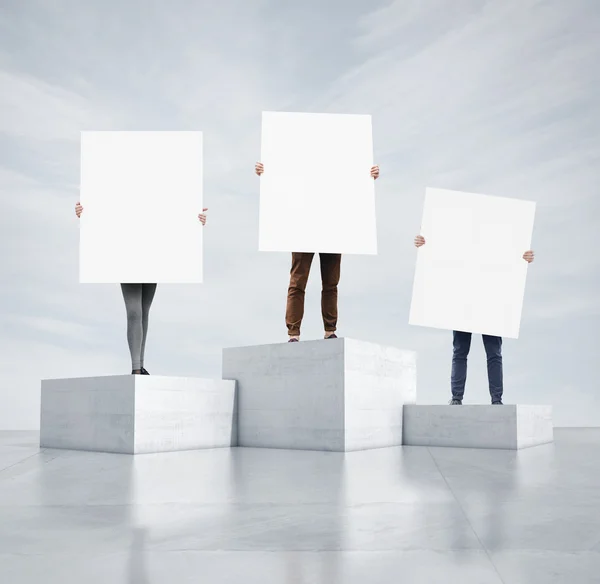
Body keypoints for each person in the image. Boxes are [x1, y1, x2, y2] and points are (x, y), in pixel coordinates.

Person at [75, 202, 208, 374]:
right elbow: (105, 204)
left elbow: (171, 207)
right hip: (127, 248)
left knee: (143, 310)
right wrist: (86, 214)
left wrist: (193, 218)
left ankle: (139, 366)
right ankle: (136, 368)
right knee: (135, 311)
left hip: (154, 248)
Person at [255, 161, 380, 342]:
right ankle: (293, 334)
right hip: (303, 224)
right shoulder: (302, 154)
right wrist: (268, 174)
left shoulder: (338, 155)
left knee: (330, 282)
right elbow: (288, 171)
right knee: (298, 282)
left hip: (332, 224)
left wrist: (367, 176)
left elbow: (349, 177)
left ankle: (330, 331)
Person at [413, 234, 535, 404]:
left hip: (489, 299)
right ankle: (457, 398)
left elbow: (507, 255)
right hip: (464, 299)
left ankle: (496, 400)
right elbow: (445, 253)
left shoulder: (497, 232)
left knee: (492, 353)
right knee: (462, 352)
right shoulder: (461, 231)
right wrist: (425, 246)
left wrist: (523, 259)